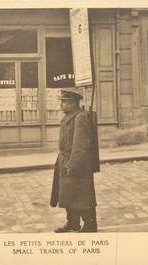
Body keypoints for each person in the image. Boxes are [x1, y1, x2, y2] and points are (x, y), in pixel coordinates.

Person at [50, 88, 98, 233]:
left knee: (81, 195)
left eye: (64, 102)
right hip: (65, 159)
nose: (61, 105)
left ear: (72, 103)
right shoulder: (69, 117)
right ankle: (73, 223)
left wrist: (72, 164)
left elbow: (80, 145)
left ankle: (90, 224)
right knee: (67, 195)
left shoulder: (80, 117)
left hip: (77, 163)